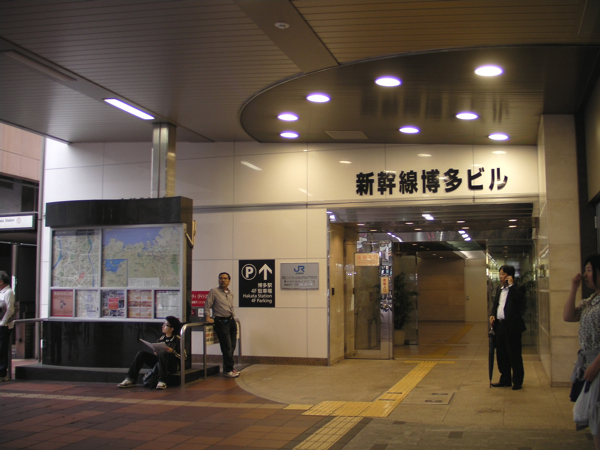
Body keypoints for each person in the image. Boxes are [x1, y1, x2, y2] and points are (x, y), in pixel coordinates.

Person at [565, 254, 600, 448]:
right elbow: (568, 316)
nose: (585, 275)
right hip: (589, 363)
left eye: (589, 270)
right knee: (595, 416)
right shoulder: (592, 300)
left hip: (597, 363)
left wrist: (595, 366)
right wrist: (574, 288)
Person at [118, 316, 183, 390]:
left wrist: (173, 352)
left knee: (163, 353)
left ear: (171, 329)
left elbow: (184, 357)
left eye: (166, 325)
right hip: (159, 362)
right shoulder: (161, 338)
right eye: (163, 324)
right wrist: (155, 352)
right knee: (141, 354)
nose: (163, 326)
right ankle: (130, 378)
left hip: (171, 365)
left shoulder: (178, 340)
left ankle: (162, 381)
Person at [489, 265, 526, 390]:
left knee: (514, 354)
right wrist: (492, 315)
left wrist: (511, 286)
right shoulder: (499, 289)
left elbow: (520, 301)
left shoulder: (518, 288)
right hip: (500, 326)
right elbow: (496, 304)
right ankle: (505, 379)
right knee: (501, 354)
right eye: (500, 274)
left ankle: (517, 381)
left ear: (510, 276)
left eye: (503, 274)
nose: (500, 276)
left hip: (513, 327)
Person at [204, 272, 239, 378]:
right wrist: (208, 317)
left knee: (232, 346)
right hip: (221, 322)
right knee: (226, 347)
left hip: (231, 321)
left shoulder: (230, 293)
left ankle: (229, 367)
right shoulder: (214, 291)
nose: (223, 280)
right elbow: (207, 305)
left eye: (225, 278)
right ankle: (228, 370)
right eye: (221, 278)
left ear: (229, 281)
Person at [0, 271, 15, 382]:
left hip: (4, 326)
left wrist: (2, 323)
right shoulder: (1, 292)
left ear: (1, 281)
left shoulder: (8, 292)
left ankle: (2, 373)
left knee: (2, 349)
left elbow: (10, 310)